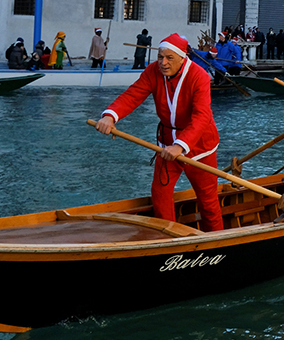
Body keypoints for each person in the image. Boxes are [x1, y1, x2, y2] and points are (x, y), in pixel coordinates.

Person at [95, 33, 223, 231]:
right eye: (160, 57)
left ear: (182, 58)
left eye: (169, 58)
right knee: (160, 193)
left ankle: (216, 241)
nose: (163, 62)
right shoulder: (153, 71)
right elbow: (133, 94)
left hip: (199, 146)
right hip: (166, 143)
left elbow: (201, 117)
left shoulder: (200, 77)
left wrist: (180, 146)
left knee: (207, 198)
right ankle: (168, 235)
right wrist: (110, 116)